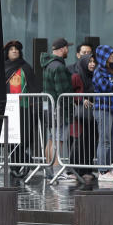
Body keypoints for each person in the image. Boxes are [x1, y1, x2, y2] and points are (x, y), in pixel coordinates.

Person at [4, 40, 40, 172]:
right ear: (7, 53)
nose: (14, 51)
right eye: (11, 49)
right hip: (8, 109)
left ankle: (20, 162)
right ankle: (19, 164)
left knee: (24, 137)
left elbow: (34, 87)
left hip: (24, 108)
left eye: (16, 49)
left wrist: (35, 107)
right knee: (11, 139)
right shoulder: (3, 67)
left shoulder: (26, 67)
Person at [41, 38, 73, 171]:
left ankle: (49, 170)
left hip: (50, 107)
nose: (68, 50)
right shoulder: (59, 67)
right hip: (59, 109)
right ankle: (56, 171)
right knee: (57, 140)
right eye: (67, 47)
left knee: (51, 139)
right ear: (62, 49)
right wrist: (70, 107)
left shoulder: (48, 64)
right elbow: (63, 91)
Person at [92, 45, 113, 182]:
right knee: (105, 140)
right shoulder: (99, 71)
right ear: (103, 56)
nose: (112, 56)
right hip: (103, 109)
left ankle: (108, 168)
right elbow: (105, 87)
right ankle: (103, 170)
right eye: (110, 54)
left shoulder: (111, 72)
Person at [70, 54, 99, 184]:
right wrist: (82, 99)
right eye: (90, 62)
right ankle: (75, 171)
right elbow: (70, 93)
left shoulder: (95, 76)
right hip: (80, 116)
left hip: (93, 116)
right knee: (80, 143)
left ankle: (87, 170)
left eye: (94, 62)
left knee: (91, 142)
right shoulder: (77, 76)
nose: (92, 64)